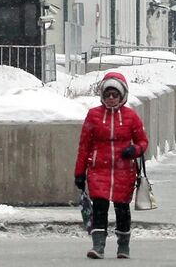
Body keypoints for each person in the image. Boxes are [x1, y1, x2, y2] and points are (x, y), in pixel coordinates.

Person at [74, 71, 147, 260]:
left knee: (122, 210)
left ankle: (124, 246)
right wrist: (79, 173)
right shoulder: (93, 115)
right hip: (99, 170)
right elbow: (84, 146)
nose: (111, 98)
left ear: (122, 95)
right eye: (107, 94)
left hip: (124, 171)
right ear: (102, 96)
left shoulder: (131, 116)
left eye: (115, 94)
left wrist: (134, 150)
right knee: (100, 208)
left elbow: (143, 142)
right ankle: (98, 246)